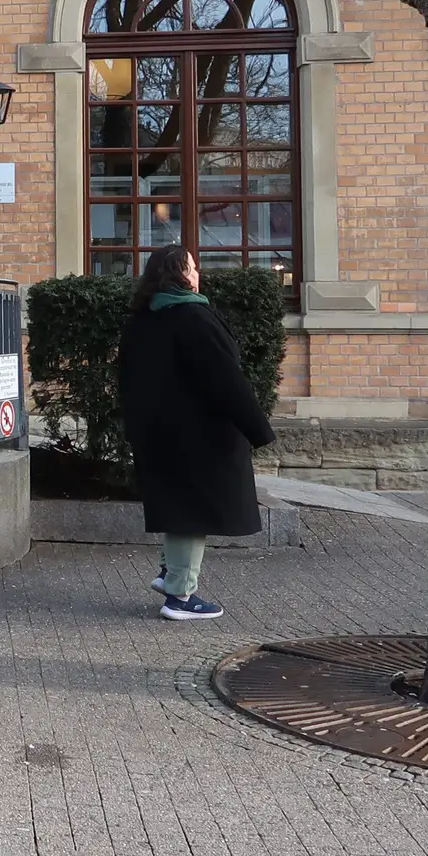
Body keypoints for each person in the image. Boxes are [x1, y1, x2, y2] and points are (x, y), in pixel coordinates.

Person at [116, 245, 278, 621]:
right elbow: (226, 380)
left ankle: (168, 573)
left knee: (177, 505)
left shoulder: (144, 318)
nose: (197, 273)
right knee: (193, 511)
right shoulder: (193, 317)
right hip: (198, 434)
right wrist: (258, 429)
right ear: (179, 275)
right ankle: (181, 596)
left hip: (158, 433)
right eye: (191, 267)